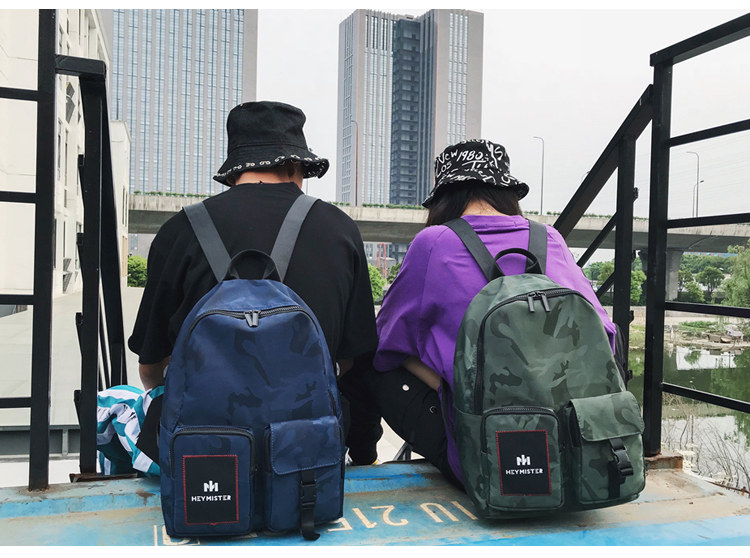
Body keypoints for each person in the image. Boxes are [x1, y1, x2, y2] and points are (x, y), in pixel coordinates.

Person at [99, 101, 381, 474]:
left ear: (234, 172)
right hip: (306, 459)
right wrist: (363, 452)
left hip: (203, 460)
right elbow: (358, 365)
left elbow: (150, 369)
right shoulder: (340, 230)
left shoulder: (179, 231)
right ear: (295, 167)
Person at [367, 138, 617, 488]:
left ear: (443, 198)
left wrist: (449, 385)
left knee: (375, 368)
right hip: (572, 450)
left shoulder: (434, 242)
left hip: (485, 462)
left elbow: (385, 343)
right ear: (507, 194)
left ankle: (369, 455)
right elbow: (606, 336)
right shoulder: (550, 239)